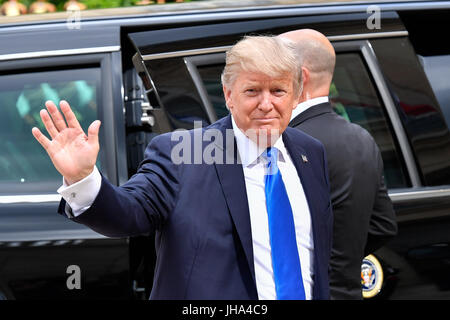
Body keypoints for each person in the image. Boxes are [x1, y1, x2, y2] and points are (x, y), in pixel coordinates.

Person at [32, 36, 332, 300]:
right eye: (252, 91)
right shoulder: (182, 154)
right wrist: (83, 178)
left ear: (295, 95)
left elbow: (314, 260)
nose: (266, 104)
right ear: (229, 95)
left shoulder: (310, 153)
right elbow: (128, 213)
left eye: (278, 91)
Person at [279, 29, 397, 300]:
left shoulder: (281, 143)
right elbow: (383, 225)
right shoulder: (361, 138)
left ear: (301, 76)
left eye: (273, 66)